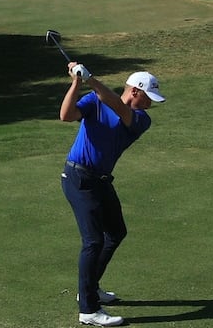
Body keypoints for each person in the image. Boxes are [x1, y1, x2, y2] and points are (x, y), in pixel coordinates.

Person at [59, 62, 165, 327]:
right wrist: (76, 82)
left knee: (115, 232)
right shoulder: (94, 102)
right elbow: (65, 115)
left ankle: (89, 288)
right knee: (93, 241)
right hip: (78, 177)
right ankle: (88, 310)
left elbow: (117, 107)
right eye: (148, 98)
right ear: (135, 92)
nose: (150, 105)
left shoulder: (140, 119)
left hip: (100, 181)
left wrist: (91, 80)